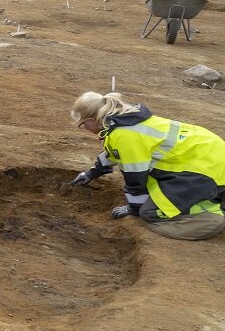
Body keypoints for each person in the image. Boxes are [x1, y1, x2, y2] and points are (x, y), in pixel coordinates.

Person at [68, 92, 225, 240]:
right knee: (153, 196)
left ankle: (210, 215)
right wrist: (91, 173)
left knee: (149, 213)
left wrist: (134, 209)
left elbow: (135, 178)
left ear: (92, 120)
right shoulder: (125, 120)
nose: (84, 128)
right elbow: (115, 152)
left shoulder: (123, 134)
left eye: (82, 124)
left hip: (205, 169)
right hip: (210, 155)